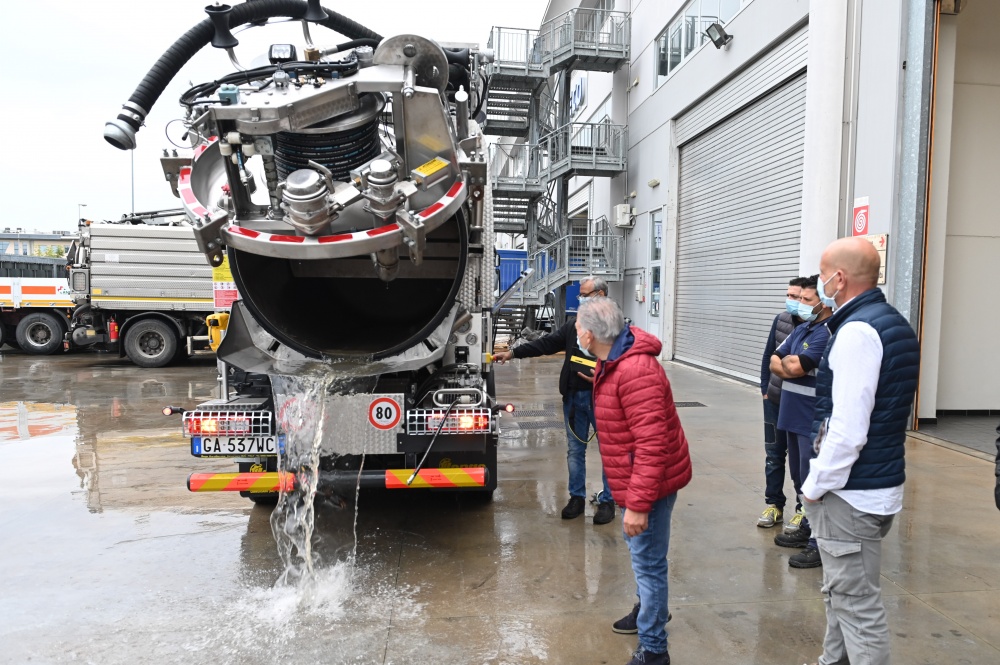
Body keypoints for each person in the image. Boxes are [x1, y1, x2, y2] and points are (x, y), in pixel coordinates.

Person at [800, 237, 920, 665]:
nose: (819, 281)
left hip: (851, 494)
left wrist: (814, 486)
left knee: (857, 608)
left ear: (840, 278)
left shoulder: (856, 333)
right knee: (842, 598)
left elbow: (848, 429)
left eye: (821, 272)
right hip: (876, 487)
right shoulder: (891, 322)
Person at [576, 296, 692, 665]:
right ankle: (649, 608)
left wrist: (639, 505)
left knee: (649, 564)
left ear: (592, 335)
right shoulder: (614, 362)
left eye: (578, 328)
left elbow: (652, 443)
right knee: (646, 561)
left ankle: (654, 648)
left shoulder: (634, 370)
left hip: (649, 486)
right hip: (636, 480)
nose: (576, 334)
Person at [493, 276, 615, 524]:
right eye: (580, 294)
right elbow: (547, 344)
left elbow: (627, 362)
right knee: (574, 450)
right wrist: (513, 352)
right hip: (573, 398)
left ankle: (608, 502)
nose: (580, 299)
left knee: (610, 452)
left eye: (585, 294)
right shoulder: (574, 325)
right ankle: (577, 498)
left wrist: (604, 378)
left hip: (602, 399)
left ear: (600, 296)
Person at [769, 276, 832, 568]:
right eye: (800, 299)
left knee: (815, 480)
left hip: (811, 416)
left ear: (824, 301)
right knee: (799, 477)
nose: (800, 305)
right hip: (792, 416)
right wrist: (789, 365)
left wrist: (790, 364)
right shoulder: (804, 327)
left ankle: (820, 543)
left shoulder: (826, 333)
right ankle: (808, 528)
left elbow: (795, 364)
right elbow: (776, 360)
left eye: (807, 300)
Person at [757, 276, 807, 529]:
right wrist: (765, 389)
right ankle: (774, 505)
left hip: (799, 404)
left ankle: (803, 509)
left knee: (802, 459)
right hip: (775, 400)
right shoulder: (781, 321)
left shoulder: (815, 327)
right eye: (789, 296)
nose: (792, 301)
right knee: (774, 456)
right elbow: (768, 355)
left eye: (796, 297)